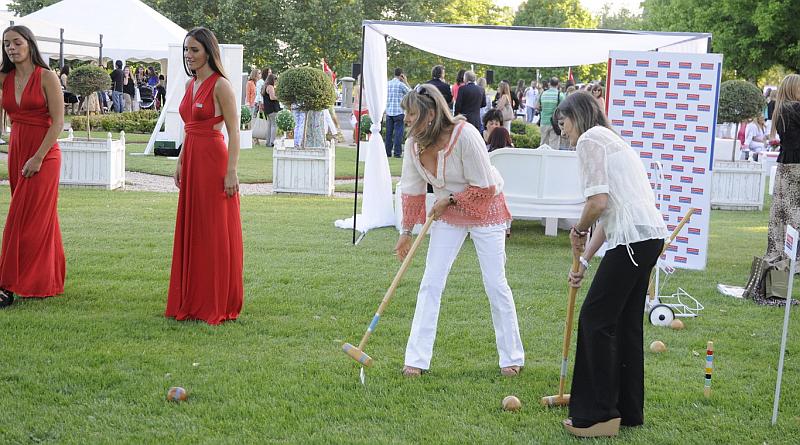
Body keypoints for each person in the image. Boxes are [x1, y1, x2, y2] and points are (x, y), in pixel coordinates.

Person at [555, 92, 667, 437]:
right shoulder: (612, 140)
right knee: (624, 322)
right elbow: (610, 213)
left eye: (564, 123)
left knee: (596, 319)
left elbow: (598, 203)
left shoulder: (590, 140)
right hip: (648, 237)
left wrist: (578, 228)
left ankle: (598, 415)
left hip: (633, 241)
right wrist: (584, 259)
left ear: (577, 116)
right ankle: (627, 410)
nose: (564, 132)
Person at [395, 84, 524, 378]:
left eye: (411, 113)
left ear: (430, 115)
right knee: (431, 282)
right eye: (406, 113)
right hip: (448, 212)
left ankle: (512, 356)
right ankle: (416, 359)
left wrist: (450, 199)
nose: (406, 119)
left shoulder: (465, 135)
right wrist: (406, 232)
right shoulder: (413, 144)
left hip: (485, 206)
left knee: (495, 283)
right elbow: (412, 188)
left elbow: (485, 186)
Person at [166, 27, 243, 325]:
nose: (189, 55)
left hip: (213, 163)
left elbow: (234, 132)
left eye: (195, 49)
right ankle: (193, 297)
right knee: (194, 228)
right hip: (192, 159)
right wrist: (180, 161)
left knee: (213, 231)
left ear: (209, 52)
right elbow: (190, 129)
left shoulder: (221, 85)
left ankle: (216, 299)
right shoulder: (190, 84)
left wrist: (231, 171)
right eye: (187, 49)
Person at [0, 25, 66, 308]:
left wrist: (38, 157)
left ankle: (6, 283)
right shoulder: (4, 78)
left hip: (44, 154)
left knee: (23, 219)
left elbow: (58, 122)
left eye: (17, 42)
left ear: (30, 44)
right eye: (6, 44)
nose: (11, 48)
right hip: (17, 151)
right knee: (40, 219)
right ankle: (45, 280)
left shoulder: (47, 77)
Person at [767, 74, 800, 263]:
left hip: (784, 165)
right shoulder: (796, 108)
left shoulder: (779, 110)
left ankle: (781, 253)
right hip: (796, 166)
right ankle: (793, 257)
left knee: (782, 213)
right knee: (794, 212)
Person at [385, 67, 410, 158]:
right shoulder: (401, 85)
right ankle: (397, 153)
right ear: (401, 75)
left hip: (389, 112)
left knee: (388, 134)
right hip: (399, 112)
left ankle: (387, 152)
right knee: (398, 134)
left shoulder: (388, 84)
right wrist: (406, 82)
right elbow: (411, 93)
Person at [537, 77, 565, 148]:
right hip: (555, 123)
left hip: (543, 121)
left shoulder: (543, 93)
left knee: (543, 144)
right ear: (558, 84)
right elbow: (564, 109)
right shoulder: (560, 95)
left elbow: (537, 106)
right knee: (554, 144)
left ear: (549, 84)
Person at [262, 73, 280, 147]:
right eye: (275, 80)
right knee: (274, 125)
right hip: (273, 108)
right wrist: (279, 97)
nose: (276, 82)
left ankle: (268, 142)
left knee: (269, 125)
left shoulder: (265, 87)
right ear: (273, 80)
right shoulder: (270, 87)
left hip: (267, 108)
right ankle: (272, 142)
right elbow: (272, 97)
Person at [351, 76, 369, 146]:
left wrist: (352, 110)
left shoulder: (357, 88)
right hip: (366, 108)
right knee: (367, 125)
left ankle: (357, 141)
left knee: (357, 125)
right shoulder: (368, 88)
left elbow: (356, 100)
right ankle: (367, 140)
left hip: (357, 108)